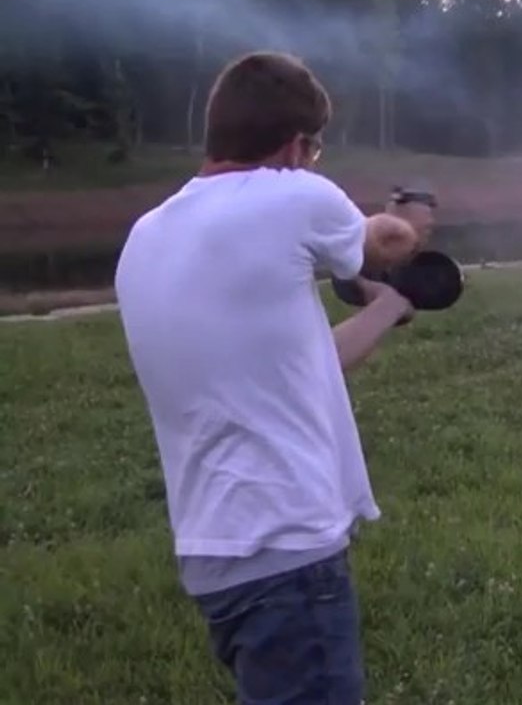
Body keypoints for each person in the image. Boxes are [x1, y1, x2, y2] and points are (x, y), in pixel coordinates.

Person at [114, 50, 433, 704]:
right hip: (289, 553)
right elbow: (386, 242)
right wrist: (408, 219)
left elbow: (302, 366)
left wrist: (386, 306)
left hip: (215, 560)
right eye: (314, 151)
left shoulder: (145, 237)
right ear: (295, 146)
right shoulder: (293, 196)